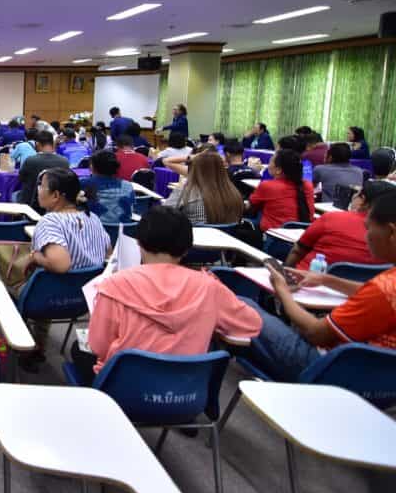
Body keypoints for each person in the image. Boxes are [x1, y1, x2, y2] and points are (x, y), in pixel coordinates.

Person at [67, 207, 262, 385]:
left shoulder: (115, 285)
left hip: (123, 388)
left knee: (79, 349)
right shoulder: (210, 288)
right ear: (187, 248)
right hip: (185, 393)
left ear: (139, 242)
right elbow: (252, 323)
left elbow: (98, 346)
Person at [243, 191, 396, 382]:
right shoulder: (387, 286)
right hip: (381, 381)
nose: (365, 237)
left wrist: (282, 291)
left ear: (391, 232)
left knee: (242, 305)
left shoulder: (382, 289)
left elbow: (316, 333)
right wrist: (325, 280)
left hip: (327, 369)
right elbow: (372, 294)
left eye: (368, 228)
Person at [20, 168, 111, 372]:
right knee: (46, 282)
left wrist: (34, 256)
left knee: (9, 288)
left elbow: (60, 265)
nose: (38, 189)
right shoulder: (93, 218)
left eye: (42, 186)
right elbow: (108, 252)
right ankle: (39, 343)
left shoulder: (50, 221)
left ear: (56, 195)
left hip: (48, 299)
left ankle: (26, 346)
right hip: (82, 301)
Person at [285, 180, 396, 270]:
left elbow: (298, 250)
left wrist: (285, 274)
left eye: (356, 193)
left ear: (362, 200)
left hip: (304, 283)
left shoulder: (332, 218)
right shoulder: (387, 242)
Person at [164, 152, 244, 225]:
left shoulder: (185, 192)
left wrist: (191, 157)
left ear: (195, 169)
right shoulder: (234, 193)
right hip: (227, 235)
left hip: (193, 235)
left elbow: (163, 215)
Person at [248, 149, 314, 231]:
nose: (268, 165)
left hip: (273, 235)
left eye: (270, 161)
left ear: (278, 170)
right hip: (302, 234)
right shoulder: (307, 185)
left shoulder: (268, 186)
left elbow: (250, 206)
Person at [17, 131, 69, 209]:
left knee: (15, 194)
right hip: (57, 203)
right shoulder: (65, 161)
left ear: (37, 144)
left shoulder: (30, 161)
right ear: (53, 143)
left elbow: (21, 179)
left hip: (32, 205)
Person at [81, 150, 135, 225]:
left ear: (92, 167)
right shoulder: (128, 186)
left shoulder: (84, 184)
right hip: (124, 230)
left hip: (93, 230)